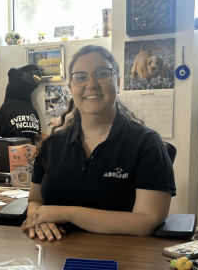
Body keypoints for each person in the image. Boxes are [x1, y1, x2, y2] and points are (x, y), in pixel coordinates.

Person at [21, 45, 176, 241]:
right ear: (71, 88)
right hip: (53, 254)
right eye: (80, 77)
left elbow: (147, 221)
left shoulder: (146, 143)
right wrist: (40, 218)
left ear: (118, 82)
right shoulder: (53, 144)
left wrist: (68, 213)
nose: (91, 84)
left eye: (101, 74)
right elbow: (35, 200)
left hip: (121, 257)